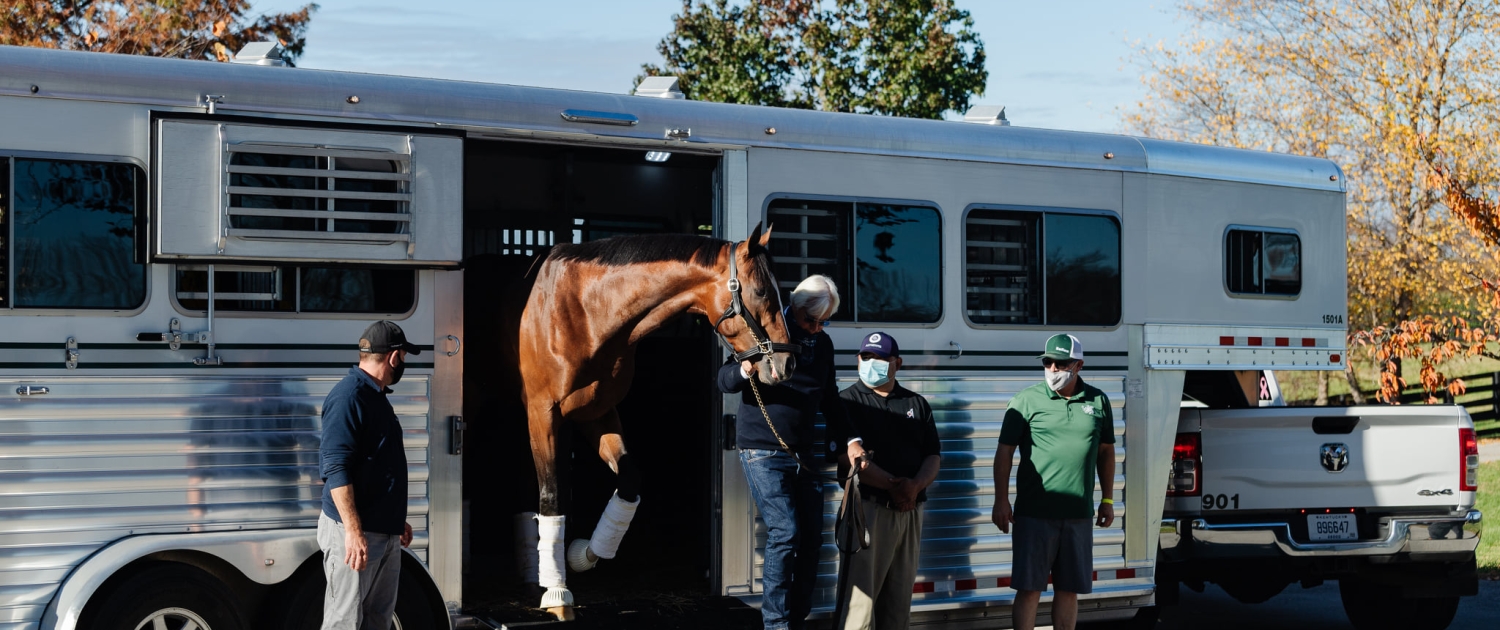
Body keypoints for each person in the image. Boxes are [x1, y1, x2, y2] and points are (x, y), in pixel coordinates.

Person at [719, 274, 866, 630]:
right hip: (763, 450)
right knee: (785, 532)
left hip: (803, 452)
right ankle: (776, 623)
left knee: (812, 538)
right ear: (793, 309)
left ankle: (797, 618)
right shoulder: (762, 331)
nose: (815, 329)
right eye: (809, 321)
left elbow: (830, 399)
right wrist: (744, 369)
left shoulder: (823, 344)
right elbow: (724, 380)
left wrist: (851, 440)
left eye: (823, 322)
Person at [991, 334, 1116, 630]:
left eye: (1061, 363)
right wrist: (1000, 499)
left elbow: (1106, 452)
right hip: (1034, 513)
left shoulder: (1098, 400)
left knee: (1069, 589)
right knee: (1029, 588)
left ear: (1079, 365)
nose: (1053, 369)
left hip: (1078, 515)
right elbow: (1004, 452)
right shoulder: (1025, 400)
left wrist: (1108, 500)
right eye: (1048, 362)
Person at [836, 332, 941, 630]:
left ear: (898, 363)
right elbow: (847, 460)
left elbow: (933, 455)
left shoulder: (916, 404)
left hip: (909, 513)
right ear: (857, 360)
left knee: (898, 607)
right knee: (858, 609)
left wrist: (915, 486)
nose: (872, 363)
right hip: (866, 513)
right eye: (866, 357)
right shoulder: (846, 403)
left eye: (880, 359)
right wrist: (895, 487)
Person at [319, 320, 419, 630]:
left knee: (377, 621)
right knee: (344, 622)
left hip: (381, 532)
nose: (402, 364)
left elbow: (377, 463)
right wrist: (353, 530)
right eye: (403, 356)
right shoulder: (349, 397)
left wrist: (393, 521)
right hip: (355, 534)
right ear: (393, 357)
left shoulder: (375, 396)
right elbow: (335, 467)